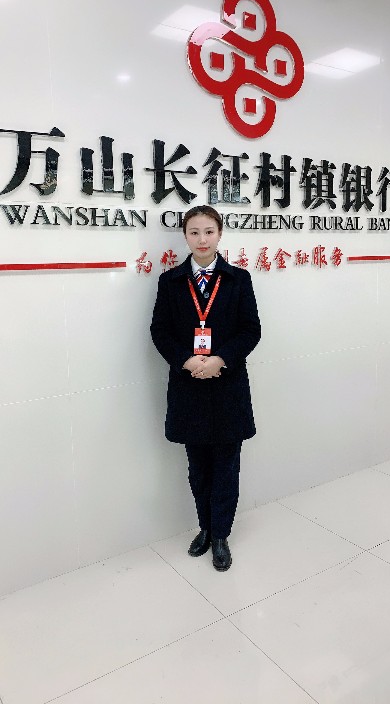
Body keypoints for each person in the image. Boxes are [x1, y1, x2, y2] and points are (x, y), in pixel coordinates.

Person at [150, 205, 261, 571]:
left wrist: (220, 359)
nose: (202, 239)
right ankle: (205, 528)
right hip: (189, 385)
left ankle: (221, 535)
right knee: (197, 466)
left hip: (227, 384)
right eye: (194, 232)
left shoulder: (238, 279)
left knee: (227, 466)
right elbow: (159, 331)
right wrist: (186, 360)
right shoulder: (170, 281)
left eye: (208, 232)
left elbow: (251, 330)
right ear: (185, 235)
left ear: (220, 234)